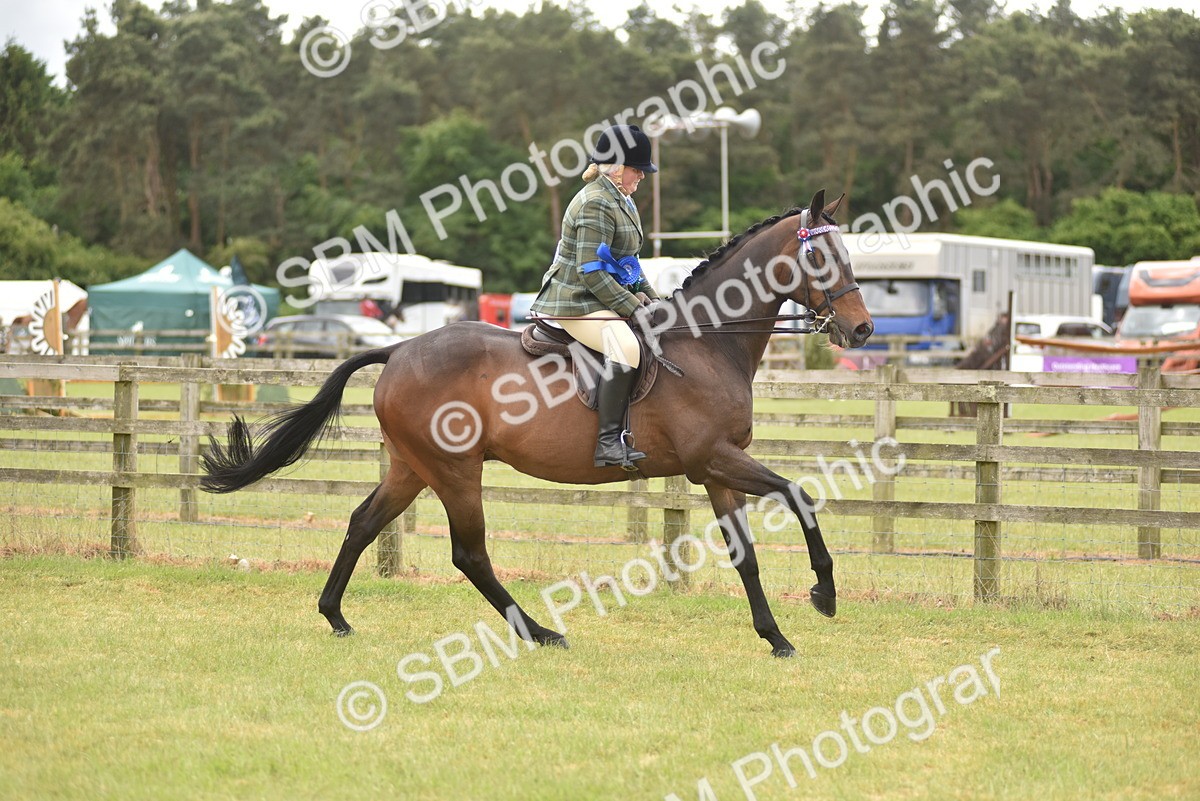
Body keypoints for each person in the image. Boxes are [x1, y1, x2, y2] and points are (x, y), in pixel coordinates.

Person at [530, 124, 660, 469]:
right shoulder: (597, 203)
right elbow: (592, 271)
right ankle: (607, 444)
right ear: (617, 169)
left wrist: (654, 298)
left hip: (597, 296)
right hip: (574, 300)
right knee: (627, 348)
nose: (642, 177)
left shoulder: (623, 200)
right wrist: (633, 306)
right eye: (638, 170)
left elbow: (627, 263)